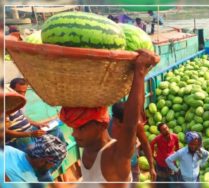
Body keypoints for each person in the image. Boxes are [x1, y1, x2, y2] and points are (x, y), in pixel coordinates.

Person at [59, 49, 160, 182]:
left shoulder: (116, 156)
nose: (74, 134)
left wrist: (140, 71)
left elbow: (131, 125)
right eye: (73, 128)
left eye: (80, 128)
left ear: (101, 125)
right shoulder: (88, 148)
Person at [110, 102, 156, 182]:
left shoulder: (136, 125)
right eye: (128, 120)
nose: (132, 122)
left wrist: (151, 167)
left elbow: (145, 144)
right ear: (117, 120)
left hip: (132, 163)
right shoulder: (107, 127)